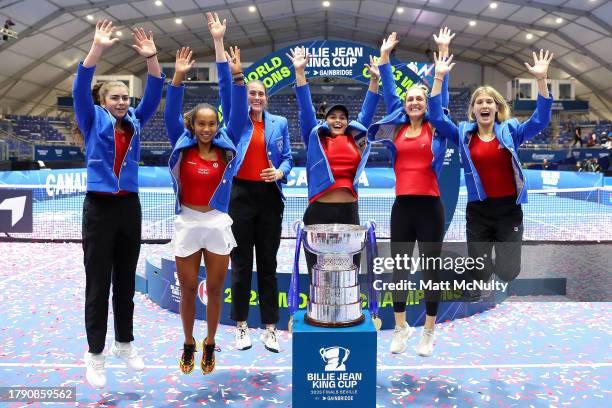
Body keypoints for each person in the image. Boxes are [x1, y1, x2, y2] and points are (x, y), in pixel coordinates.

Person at [73, 20, 164, 388]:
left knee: (126, 281)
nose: (123, 102)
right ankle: (95, 354)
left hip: (130, 208)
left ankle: (124, 343)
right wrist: (97, 48)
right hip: (99, 209)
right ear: (103, 101)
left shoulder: (136, 122)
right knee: (98, 283)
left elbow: (155, 91)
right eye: (116, 97)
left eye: (126, 97)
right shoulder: (91, 117)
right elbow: (81, 85)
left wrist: (152, 58)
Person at [428, 49, 553, 297]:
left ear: (497, 108)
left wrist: (541, 80)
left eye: (489, 102)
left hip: (509, 211)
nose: (484, 105)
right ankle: (479, 275)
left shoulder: (511, 131)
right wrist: (439, 77)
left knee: (508, 272)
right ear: (473, 110)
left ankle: (501, 269)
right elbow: (436, 118)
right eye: (479, 102)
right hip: (479, 211)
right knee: (480, 272)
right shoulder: (464, 134)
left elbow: (539, 120)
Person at [206, 12, 294, 353]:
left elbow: (288, 157)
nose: (256, 98)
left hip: (270, 197)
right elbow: (228, 87)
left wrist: (282, 172)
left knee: (268, 265)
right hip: (240, 197)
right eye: (252, 93)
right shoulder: (236, 122)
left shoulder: (279, 123)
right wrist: (219, 43)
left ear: (267, 98)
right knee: (241, 265)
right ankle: (241, 325)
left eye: (261, 94)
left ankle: (270, 328)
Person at [368, 28, 455, 357]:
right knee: (400, 269)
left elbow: (439, 100)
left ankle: (429, 331)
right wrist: (386, 57)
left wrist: (442, 56)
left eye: (419, 98)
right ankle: (402, 327)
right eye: (410, 99)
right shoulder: (398, 126)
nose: (415, 102)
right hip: (402, 207)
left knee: (431, 270)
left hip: (431, 206)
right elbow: (390, 92)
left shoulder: (436, 125)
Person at [165, 45, 247, 375]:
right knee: (187, 289)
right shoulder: (181, 144)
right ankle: (188, 342)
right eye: (201, 123)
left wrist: (237, 75)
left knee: (214, 289)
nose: (207, 129)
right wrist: (179, 77)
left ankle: (210, 343)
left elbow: (238, 112)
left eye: (212, 123)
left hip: (216, 222)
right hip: (187, 220)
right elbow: (171, 113)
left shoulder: (227, 147)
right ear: (193, 125)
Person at [288, 46, 380, 283]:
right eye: (332, 117)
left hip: (349, 211)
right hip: (319, 211)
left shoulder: (355, 138)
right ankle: (315, 310)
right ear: (325, 120)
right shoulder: (315, 137)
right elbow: (305, 108)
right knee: (318, 270)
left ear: (347, 121)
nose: (338, 120)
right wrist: (300, 73)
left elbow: (368, 112)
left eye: (342, 117)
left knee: (350, 269)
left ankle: (351, 311)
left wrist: (374, 80)